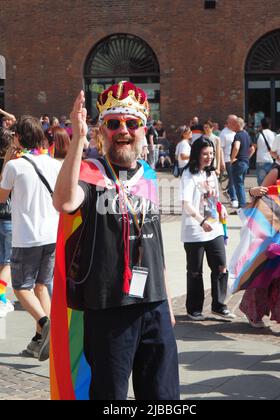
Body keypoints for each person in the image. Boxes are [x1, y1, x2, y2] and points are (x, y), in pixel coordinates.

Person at [52, 81, 179, 400]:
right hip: (108, 307)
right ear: (102, 132)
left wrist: (166, 296)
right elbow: (64, 202)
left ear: (143, 129)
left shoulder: (149, 174)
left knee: (163, 394)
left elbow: (155, 243)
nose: (123, 130)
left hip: (155, 305)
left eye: (131, 123)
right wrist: (77, 139)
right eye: (113, 123)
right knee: (110, 395)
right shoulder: (90, 173)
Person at [0, 116, 62, 360]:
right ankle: (43, 340)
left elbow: (1, 197)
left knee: (21, 288)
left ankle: (46, 323)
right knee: (41, 287)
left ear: (17, 138)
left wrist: (6, 161)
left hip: (27, 236)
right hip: (50, 235)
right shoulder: (53, 164)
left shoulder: (15, 166)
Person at [242, 136, 280, 327]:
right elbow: (258, 194)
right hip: (273, 231)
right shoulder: (278, 171)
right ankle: (254, 314)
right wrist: (253, 192)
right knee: (265, 273)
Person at [180, 138, 236, 321]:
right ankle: (194, 309)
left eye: (211, 154)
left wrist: (222, 208)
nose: (209, 157)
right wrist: (201, 220)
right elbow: (186, 203)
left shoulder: (212, 174)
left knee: (221, 266)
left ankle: (219, 305)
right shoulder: (188, 174)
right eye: (205, 154)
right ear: (196, 154)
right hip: (195, 231)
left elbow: (215, 198)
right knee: (195, 272)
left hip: (215, 228)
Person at [0, 128, 13, 317]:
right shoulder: (12, 164)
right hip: (9, 216)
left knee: (2, 260)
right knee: (8, 262)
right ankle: (1, 298)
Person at [230, 117, 255, 209]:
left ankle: (242, 205)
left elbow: (236, 147)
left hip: (238, 163)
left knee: (238, 184)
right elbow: (252, 148)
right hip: (245, 163)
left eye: (233, 124)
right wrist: (247, 157)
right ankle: (243, 204)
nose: (232, 126)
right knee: (241, 184)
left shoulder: (238, 135)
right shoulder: (246, 135)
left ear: (237, 125)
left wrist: (232, 158)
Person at [220, 115, 238, 208]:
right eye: (234, 122)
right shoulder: (224, 133)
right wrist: (222, 161)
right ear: (230, 122)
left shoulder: (235, 132)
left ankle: (229, 191)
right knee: (232, 178)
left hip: (236, 159)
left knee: (234, 179)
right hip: (228, 159)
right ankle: (234, 198)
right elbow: (221, 148)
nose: (236, 123)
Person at [253, 117, 276, 186]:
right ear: (270, 125)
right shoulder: (274, 134)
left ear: (261, 125)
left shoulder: (258, 135)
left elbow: (254, 148)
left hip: (261, 161)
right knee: (271, 183)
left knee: (262, 183)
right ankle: (270, 196)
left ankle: (262, 196)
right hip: (272, 160)